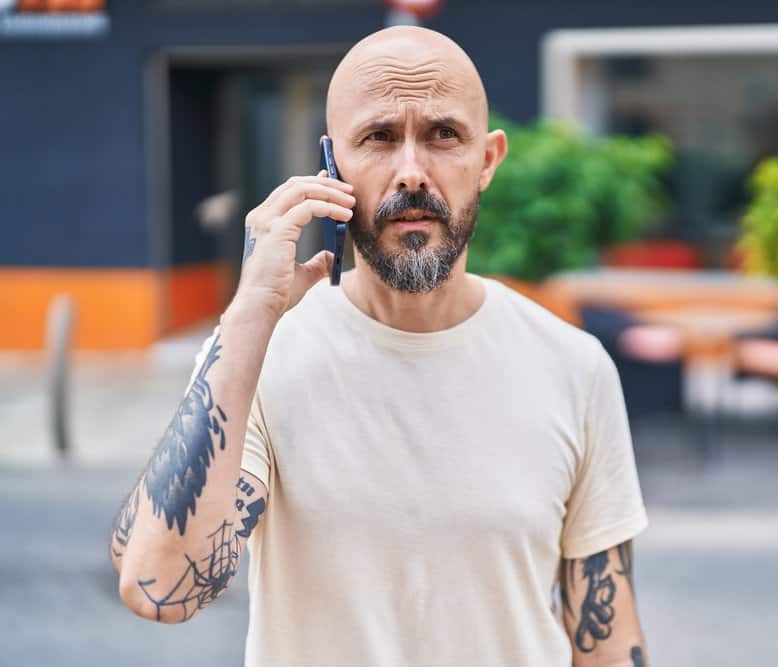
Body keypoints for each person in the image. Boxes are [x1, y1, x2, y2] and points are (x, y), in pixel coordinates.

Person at [109, 26, 649, 667]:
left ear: (488, 160)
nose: (412, 172)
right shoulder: (259, 355)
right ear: (331, 164)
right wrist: (250, 315)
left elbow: (609, 646)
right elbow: (161, 588)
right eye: (379, 137)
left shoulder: (574, 367)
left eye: (444, 135)